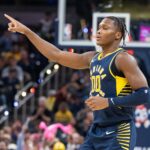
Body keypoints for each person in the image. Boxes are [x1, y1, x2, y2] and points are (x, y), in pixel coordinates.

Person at [4, 14, 150, 150]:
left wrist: (108, 102)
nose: (98, 31)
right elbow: (56, 55)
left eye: (105, 28)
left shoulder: (123, 58)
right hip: (97, 130)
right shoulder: (92, 58)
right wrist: (27, 32)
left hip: (119, 130)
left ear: (118, 35)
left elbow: (144, 94)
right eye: (99, 27)